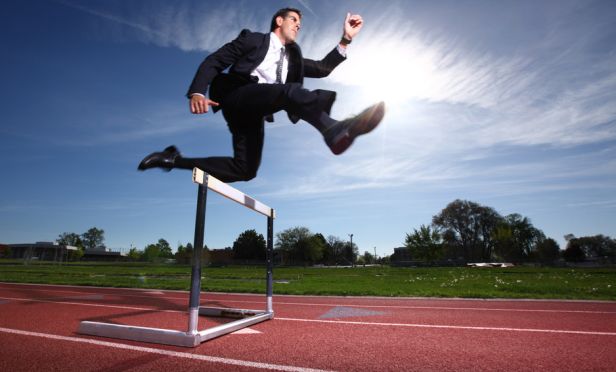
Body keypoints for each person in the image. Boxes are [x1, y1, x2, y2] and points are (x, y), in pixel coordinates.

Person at [138, 7, 384, 183]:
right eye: (294, 20)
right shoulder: (253, 40)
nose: (298, 26)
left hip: (256, 111)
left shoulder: (293, 58)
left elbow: (322, 68)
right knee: (290, 92)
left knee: (245, 169)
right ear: (279, 21)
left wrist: (346, 39)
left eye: (300, 24)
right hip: (236, 95)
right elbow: (215, 61)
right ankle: (333, 129)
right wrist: (196, 92)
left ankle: (173, 160)